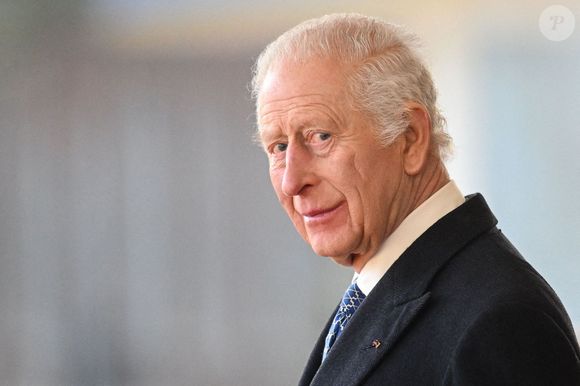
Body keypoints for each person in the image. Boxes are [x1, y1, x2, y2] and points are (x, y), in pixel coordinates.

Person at [251, 13, 580, 385]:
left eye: (320, 136)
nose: (292, 181)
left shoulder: (500, 322)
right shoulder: (380, 292)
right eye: (278, 147)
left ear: (410, 138)